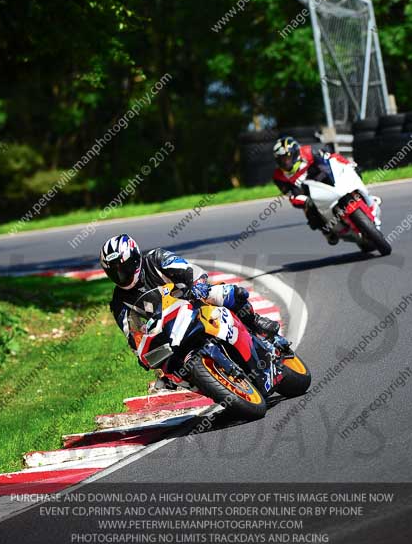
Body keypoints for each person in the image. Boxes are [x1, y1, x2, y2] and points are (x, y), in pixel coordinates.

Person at [101, 234, 282, 369]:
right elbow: (131, 334)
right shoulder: (118, 302)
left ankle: (255, 321)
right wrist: (140, 352)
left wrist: (197, 284)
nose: (121, 275)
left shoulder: (155, 259)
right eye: (114, 272)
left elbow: (189, 269)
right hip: (166, 329)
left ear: (135, 259)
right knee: (167, 369)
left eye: (123, 268)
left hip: (193, 299)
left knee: (226, 293)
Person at [272, 135, 358, 244]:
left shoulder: (309, 152)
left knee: (352, 172)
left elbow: (331, 157)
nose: (285, 162)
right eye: (281, 160)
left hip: (325, 179)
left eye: (287, 158)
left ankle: (363, 196)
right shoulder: (278, 176)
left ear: (295, 153)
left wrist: (348, 165)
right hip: (309, 194)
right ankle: (327, 231)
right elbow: (290, 194)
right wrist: (305, 201)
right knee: (309, 212)